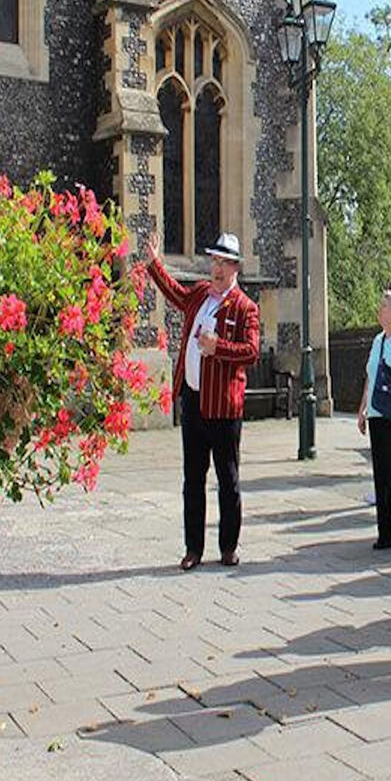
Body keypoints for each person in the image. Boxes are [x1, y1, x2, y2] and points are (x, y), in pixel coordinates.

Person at [146, 230, 260, 571]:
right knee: (192, 480)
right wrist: (155, 264)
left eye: (224, 262)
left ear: (236, 268)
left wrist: (218, 348)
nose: (217, 268)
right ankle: (193, 548)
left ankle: (228, 547)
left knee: (228, 480)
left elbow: (252, 351)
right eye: (214, 261)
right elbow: (175, 294)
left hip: (224, 408)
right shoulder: (199, 295)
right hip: (194, 401)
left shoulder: (245, 308)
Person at [356, 289, 391, 552]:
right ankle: (384, 533)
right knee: (380, 475)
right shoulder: (378, 340)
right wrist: (362, 408)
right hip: (378, 414)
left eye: (383, 306)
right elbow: (371, 374)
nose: (379, 310)